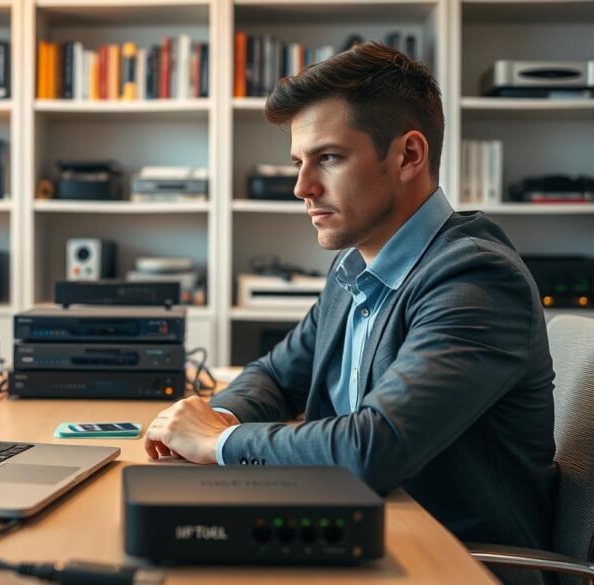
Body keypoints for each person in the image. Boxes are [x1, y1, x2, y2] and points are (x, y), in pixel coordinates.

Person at [144, 42, 557, 583]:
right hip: (360, 528)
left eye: (329, 158)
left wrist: (217, 442)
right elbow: (276, 376)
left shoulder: (475, 278)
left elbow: (373, 448)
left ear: (410, 155)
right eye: (298, 163)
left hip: (448, 560)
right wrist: (221, 417)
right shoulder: (355, 268)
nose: (302, 187)